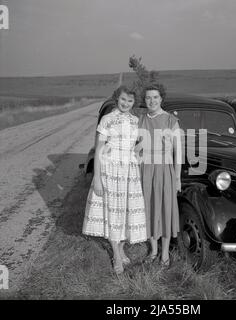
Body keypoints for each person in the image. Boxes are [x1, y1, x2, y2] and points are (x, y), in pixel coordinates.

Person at [82, 85, 147, 275]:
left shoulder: (136, 121)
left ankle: (120, 247)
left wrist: (139, 156)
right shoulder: (107, 119)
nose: (126, 103)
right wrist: (97, 179)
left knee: (125, 210)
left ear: (134, 103)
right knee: (113, 210)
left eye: (130, 101)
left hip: (129, 171)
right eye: (123, 100)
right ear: (117, 99)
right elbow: (99, 149)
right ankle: (117, 256)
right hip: (110, 169)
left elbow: (137, 146)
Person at [137, 83, 182, 267]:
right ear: (145, 100)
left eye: (155, 97)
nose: (152, 100)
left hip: (165, 171)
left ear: (161, 98)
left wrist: (177, 178)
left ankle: (164, 253)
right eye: (148, 97)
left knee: (164, 210)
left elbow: (178, 152)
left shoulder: (171, 120)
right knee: (148, 209)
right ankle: (153, 250)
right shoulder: (140, 120)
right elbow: (134, 147)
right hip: (145, 170)